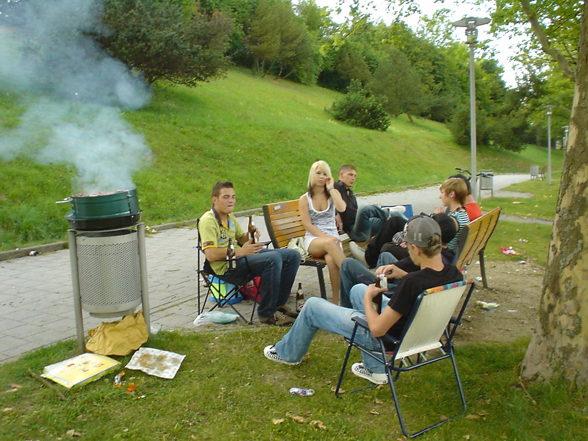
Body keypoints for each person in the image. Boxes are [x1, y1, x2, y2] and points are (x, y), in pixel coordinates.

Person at [263, 215, 463, 385]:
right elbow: (421, 285)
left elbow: (377, 330)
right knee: (359, 288)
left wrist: (369, 300)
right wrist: (400, 273)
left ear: (416, 249)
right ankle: (376, 370)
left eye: (408, 247)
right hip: (421, 334)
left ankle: (287, 353)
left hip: (389, 340)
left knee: (314, 306)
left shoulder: (412, 283)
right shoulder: (454, 275)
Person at [199, 181, 301, 326]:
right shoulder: (208, 221)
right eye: (226, 197)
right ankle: (266, 314)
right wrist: (241, 251)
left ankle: (278, 305)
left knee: (292, 255)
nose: (231, 200)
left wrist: (251, 234)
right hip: (227, 267)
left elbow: (241, 238)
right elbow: (211, 255)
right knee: (273, 259)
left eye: (233, 197)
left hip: (241, 257)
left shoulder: (229, 217)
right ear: (215, 200)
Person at [339, 213, 458, 308]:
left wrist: (369, 296)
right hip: (409, 292)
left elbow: (377, 328)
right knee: (385, 255)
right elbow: (423, 282)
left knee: (348, 265)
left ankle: (348, 311)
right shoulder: (451, 268)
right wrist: (401, 273)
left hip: (393, 297)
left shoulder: (416, 273)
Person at [299, 160, 347, 304]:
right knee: (329, 243)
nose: (321, 176)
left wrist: (331, 188)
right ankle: (354, 275)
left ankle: (336, 301)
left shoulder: (333, 194)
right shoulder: (304, 199)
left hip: (332, 238)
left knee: (332, 260)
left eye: (325, 174)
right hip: (314, 239)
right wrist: (327, 238)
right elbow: (307, 224)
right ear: (311, 175)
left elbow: (342, 208)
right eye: (318, 173)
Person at [334, 164, 389, 242]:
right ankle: (387, 213)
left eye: (355, 176)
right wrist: (335, 212)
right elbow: (325, 200)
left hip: (362, 227)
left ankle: (399, 222)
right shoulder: (335, 187)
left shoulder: (350, 193)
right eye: (350, 174)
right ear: (341, 175)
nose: (353, 178)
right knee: (364, 209)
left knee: (393, 218)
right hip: (355, 233)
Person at [434, 177, 470, 251]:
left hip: (446, 255)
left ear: (451, 194)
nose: (440, 197)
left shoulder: (454, 219)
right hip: (456, 255)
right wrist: (443, 219)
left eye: (442, 193)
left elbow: (438, 238)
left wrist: (437, 218)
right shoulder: (462, 213)